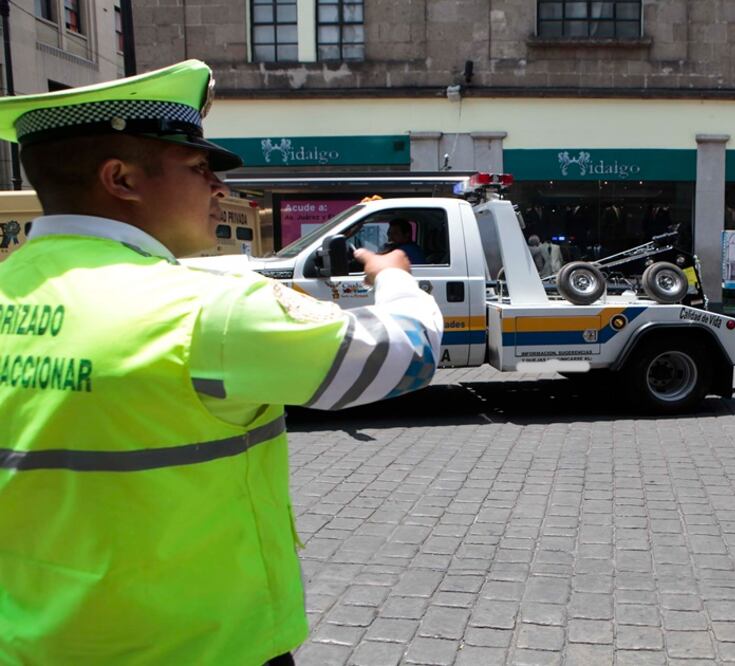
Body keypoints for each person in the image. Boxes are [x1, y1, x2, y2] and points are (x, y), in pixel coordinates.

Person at [0, 60, 443, 665]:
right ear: (121, 178)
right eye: (199, 168)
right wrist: (395, 281)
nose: (220, 189)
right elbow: (406, 356)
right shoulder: (208, 309)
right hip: (203, 649)